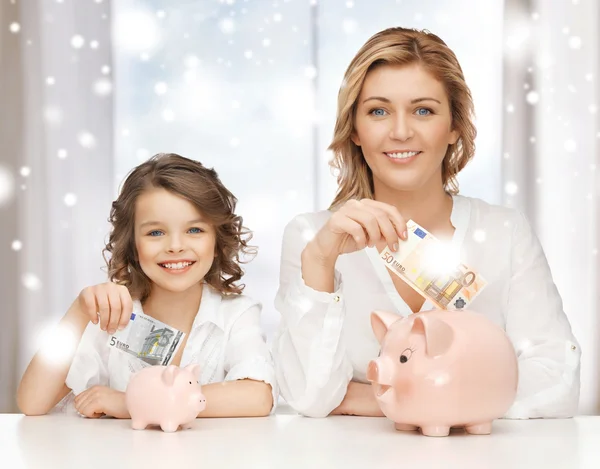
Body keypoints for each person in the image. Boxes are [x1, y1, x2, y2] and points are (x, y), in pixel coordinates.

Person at [272, 27, 581, 418]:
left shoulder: (505, 232)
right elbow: (309, 399)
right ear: (354, 130)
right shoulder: (310, 237)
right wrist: (319, 262)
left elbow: (557, 380)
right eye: (378, 111)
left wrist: (382, 397)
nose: (401, 132)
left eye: (423, 110)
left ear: (454, 126)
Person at [17, 153, 276, 418]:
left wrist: (132, 403)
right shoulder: (111, 315)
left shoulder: (235, 314)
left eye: (194, 230)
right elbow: (32, 402)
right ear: (132, 243)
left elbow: (257, 397)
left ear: (217, 239)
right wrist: (79, 311)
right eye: (156, 232)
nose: (175, 246)